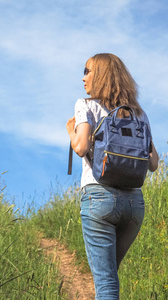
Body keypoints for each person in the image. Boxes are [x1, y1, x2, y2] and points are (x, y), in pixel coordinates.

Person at [66, 53, 159, 300]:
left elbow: (81, 147)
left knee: (106, 283)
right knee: (109, 278)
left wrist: (71, 131)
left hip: (99, 197)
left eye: (87, 70)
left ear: (102, 75)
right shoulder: (138, 113)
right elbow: (153, 163)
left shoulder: (85, 105)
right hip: (134, 205)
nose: (83, 76)